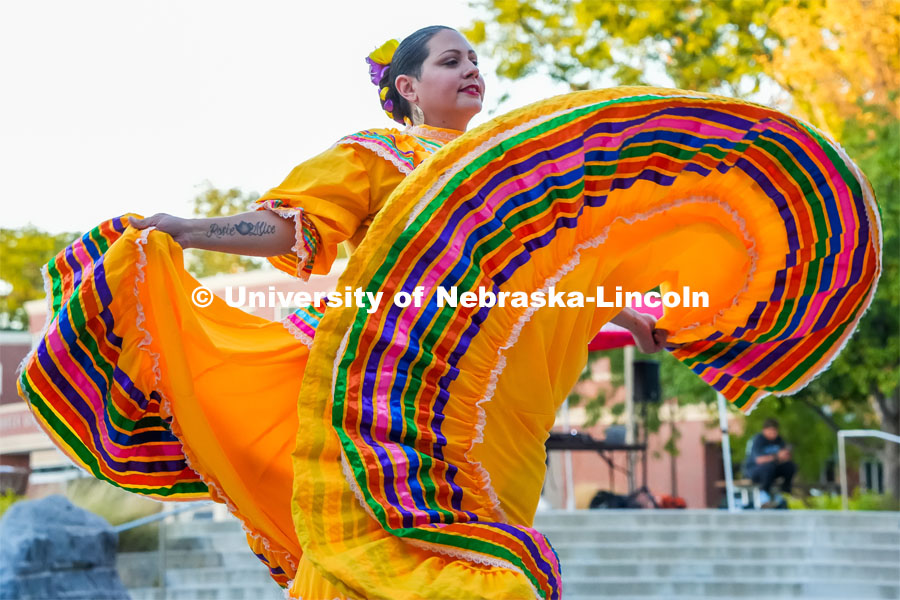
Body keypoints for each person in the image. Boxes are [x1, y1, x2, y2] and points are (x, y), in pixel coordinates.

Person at [17, 23, 882, 600]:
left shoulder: (526, 178)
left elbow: (552, 292)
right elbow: (287, 230)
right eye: (450, 61)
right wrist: (183, 228)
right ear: (403, 90)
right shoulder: (377, 159)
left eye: (476, 59)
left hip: (503, 417)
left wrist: (639, 315)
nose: (472, 70)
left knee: (481, 554)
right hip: (393, 409)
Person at [744, 418, 796, 501]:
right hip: (754, 471)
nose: (773, 434)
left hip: (772, 470)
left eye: (775, 432)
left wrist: (785, 455)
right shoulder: (759, 439)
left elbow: (784, 458)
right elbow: (759, 460)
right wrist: (777, 456)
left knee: (790, 466)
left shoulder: (779, 440)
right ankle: (764, 494)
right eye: (770, 431)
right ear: (764, 430)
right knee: (768, 466)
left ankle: (785, 492)